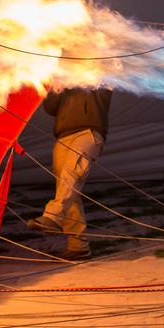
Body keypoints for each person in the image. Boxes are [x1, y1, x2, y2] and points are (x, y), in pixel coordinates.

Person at [27, 87, 112, 261]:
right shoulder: (62, 77)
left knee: (70, 174)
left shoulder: (98, 68)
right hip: (63, 136)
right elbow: (51, 108)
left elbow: (103, 82)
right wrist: (53, 87)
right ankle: (78, 247)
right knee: (67, 189)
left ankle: (53, 216)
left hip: (88, 132)